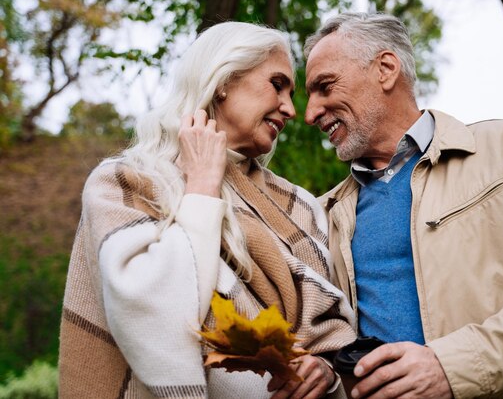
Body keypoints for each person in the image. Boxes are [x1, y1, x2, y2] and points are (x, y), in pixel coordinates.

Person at [303, 12, 503, 399]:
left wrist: (450, 367)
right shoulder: (319, 214)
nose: (310, 113)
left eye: (325, 87)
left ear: (385, 69)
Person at [58, 21, 357, 399]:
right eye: (277, 84)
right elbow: (151, 313)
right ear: (223, 79)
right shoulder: (124, 182)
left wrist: (326, 372)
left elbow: (329, 331)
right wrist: (202, 186)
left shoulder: (300, 205)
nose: (290, 109)